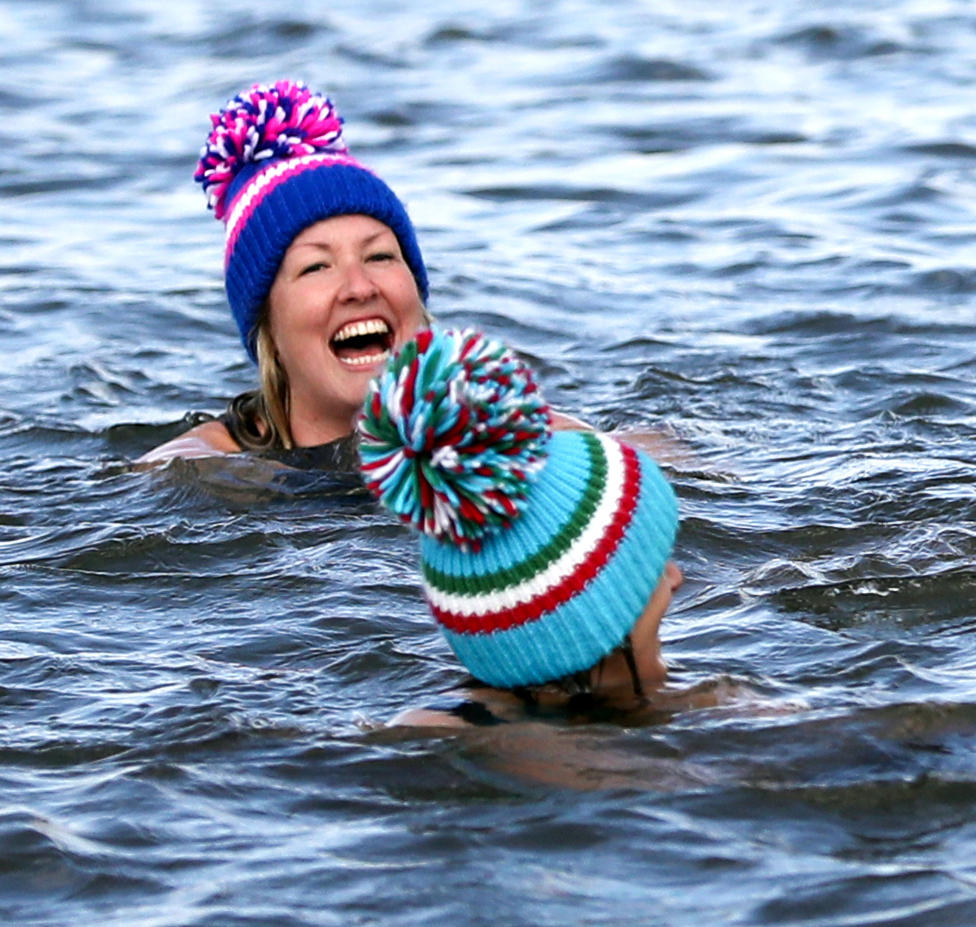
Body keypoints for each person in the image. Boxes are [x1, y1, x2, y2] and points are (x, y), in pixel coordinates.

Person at [354, 326, 687, 727]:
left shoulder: (464, 728)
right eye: (650, 567)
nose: (675, 576)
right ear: (585, 631)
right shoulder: (577, 767)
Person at [143, 81, 435, 477]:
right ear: (269, 332)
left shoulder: (511, 435)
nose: (360, 287)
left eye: (380, 256)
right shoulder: (207, 469)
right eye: (316, 266)